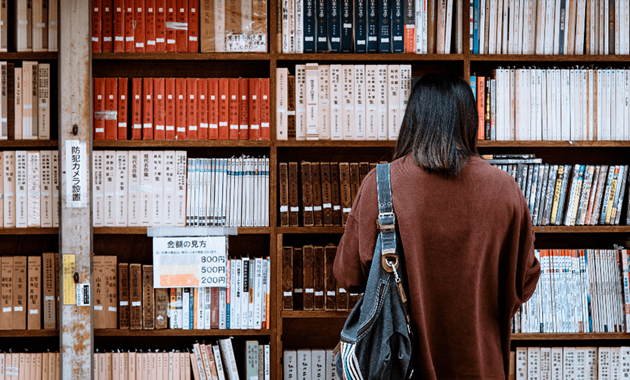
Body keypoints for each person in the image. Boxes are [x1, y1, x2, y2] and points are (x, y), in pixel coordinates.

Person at [333, 73, 540, 380]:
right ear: (470, 121)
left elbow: (348, 276)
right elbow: (525, 281)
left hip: (401, 368)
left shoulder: (382, 185)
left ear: (413, 120)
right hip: (483, 368)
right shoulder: (505, 190)